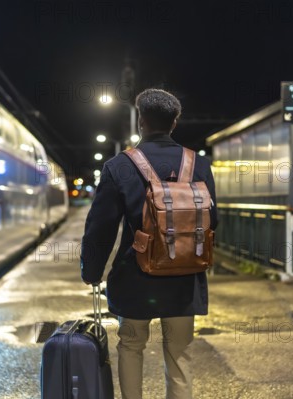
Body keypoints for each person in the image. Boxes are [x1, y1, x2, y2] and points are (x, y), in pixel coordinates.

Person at [80, 88, 218, 399]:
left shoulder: (119, 166)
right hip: (184, 277)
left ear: (141, 120)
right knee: (180, 355)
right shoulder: (198, 164)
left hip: (135, 276)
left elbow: (101, 228)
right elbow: (213, 221)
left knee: (131, 346)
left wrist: (92, 272)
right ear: (175, 122)